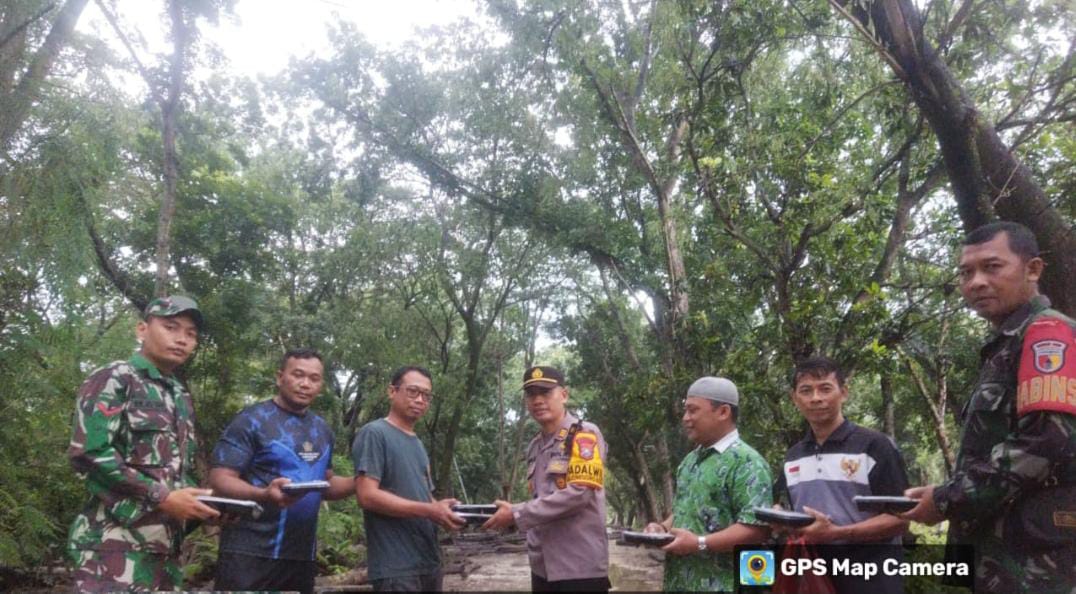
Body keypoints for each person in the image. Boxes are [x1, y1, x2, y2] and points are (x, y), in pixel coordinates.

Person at [902, 222, 1076, 593]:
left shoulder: (1047, 335)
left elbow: (1043, 442)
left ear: (1033, 269)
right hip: (999, 557)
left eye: (992, 267)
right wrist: (943, 490)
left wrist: (948, 499)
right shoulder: (1005, 346)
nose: (976, 282)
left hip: (1036, 565)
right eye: (966, 272)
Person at [67, 295, 220, 592]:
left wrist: (203, 507)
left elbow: (176, 471)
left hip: (163, 550)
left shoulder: (179, 395)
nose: (182, 339)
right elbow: (89, 452)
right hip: (112, 546)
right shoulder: (116, 377)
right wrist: (163, 497)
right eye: (171, 327)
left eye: (190, 334)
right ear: (142, 330)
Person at [209, 348, 356, 594]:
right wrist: (264, 494)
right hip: (249, 551)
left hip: (301, 555)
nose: (305, 383)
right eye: (298, 375)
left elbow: (325, 483)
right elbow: (220, 478)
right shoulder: (251, 420)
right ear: (280, 377)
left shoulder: (322, 429)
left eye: (314, 378)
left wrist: (362, 480)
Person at [772, 356, 910, 594]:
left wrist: (836, 533)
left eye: (825, 388)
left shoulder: (875, 446)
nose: (816, 398)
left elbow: (901, 519)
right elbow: (783, 504)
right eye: (806, 390)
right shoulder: (793, 456)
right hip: (813, 578)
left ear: (843, 393)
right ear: (795, 399)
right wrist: (779, 516)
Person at [482, 366, 610, 593]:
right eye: (531, 395)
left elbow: (578, 494)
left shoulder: (584, 434)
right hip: (542, 567)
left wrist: (516, 513)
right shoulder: (535, 446)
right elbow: (542, 498)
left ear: (564, 394)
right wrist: (512, 511)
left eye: (546, 392)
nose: (538, 400)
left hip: (579, 568)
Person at [645, 376, 772, 592]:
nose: (686, 418)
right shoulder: (690, 462)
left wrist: (699, 543)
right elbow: (687, 508)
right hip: (681, 583)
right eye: (685, 411)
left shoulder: (748, 462)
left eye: (693, 410)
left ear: (723, 412)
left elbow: (757, 530)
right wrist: (661, 528)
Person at [352, 365, 464, 592]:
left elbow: (425, 498)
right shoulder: (375, 433)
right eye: (413, 391)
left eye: (426, 395)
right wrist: (429, 510)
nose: (420, 399)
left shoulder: (417, 443)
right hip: (396, 567)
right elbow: (367, 495)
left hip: (428, 561)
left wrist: (443, 509)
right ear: (392, 391)